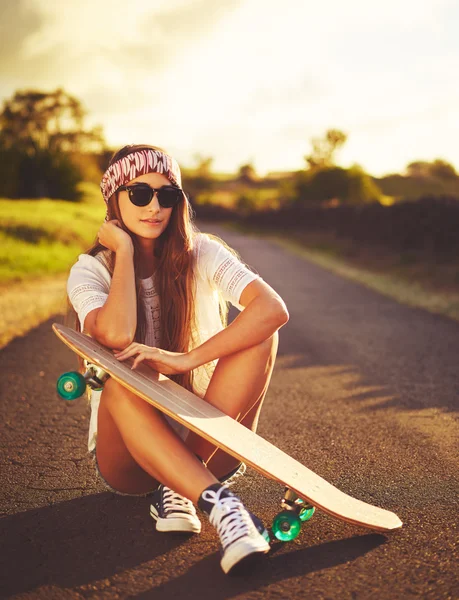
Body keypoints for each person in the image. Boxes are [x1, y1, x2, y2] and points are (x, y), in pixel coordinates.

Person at [66, 144, 289, 574]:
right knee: (119, 375)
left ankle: (191, 488)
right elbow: (114, 334)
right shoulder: (91, 270)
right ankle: (224, 508)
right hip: (130, 455)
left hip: (206, 437)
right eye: (140, 194)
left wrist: (186, 360)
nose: (154, 207)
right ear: (115, 199)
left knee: (261, 338)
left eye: (167, 196)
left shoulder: (201, 252)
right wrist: (126, 253)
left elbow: (272, 309)